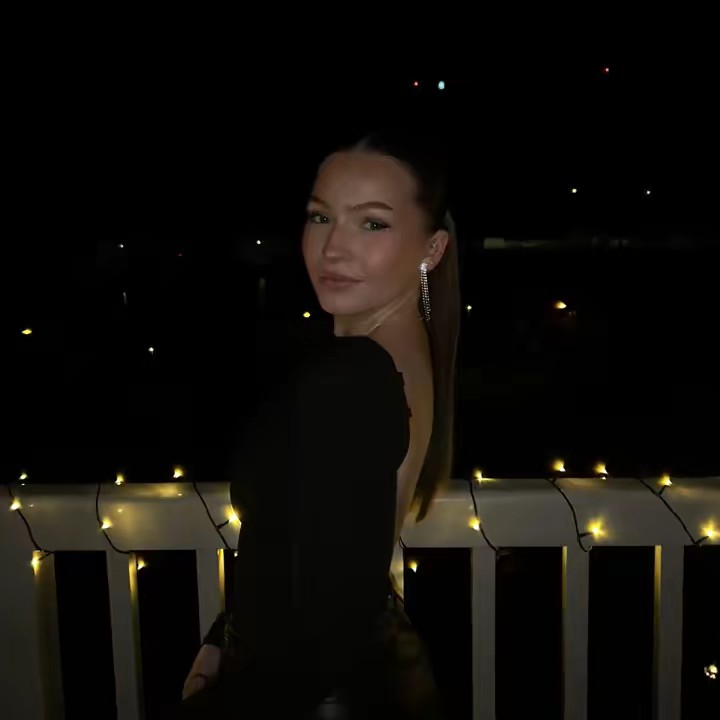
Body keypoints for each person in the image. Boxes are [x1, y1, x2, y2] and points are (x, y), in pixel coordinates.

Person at [172, 129, 461, 718]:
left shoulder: (354, 377)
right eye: (321, 217)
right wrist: (224, 635)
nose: (333, 248)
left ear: (432, 249)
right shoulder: (396, 356)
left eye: (371, 223)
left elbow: (318, 624)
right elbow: (316, 543)